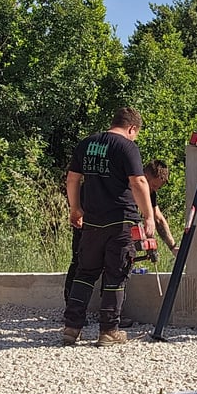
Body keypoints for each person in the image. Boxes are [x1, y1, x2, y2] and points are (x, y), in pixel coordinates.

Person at [62, 106, 155, 347]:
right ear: (132, 128)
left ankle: (72, 328)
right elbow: (139, 181)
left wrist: (75, 209)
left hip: (92, 221)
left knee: (85, 273)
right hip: (120, 220)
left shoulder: (86, 144)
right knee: (116, 274)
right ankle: (109, 331)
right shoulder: (127, 147)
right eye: (136, 133)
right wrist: (148, 216)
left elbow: (72, 179)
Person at [63, 158, 178, 303]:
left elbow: (158, 219)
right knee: (81, 262)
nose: (153, 191)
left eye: (157, 188)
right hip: (88, 222)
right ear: (144, 177)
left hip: (113, 230)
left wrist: (173, 247)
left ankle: (107, 308)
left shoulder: (149, 192)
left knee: (115, 265)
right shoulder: (120, 182)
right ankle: (71, 305)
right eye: (153, 186)